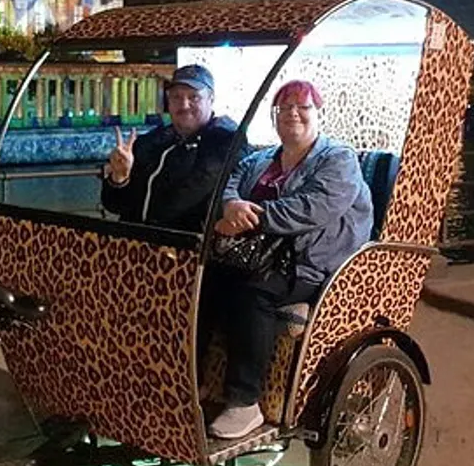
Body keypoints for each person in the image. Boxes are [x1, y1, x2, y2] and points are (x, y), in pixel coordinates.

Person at [203, 80, 373, 439]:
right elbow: (230, 183)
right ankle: (192, 379)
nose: (293, 113)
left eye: (303, 107)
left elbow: (315, 207)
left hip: (311, 264)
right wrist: (231, 205)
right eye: (284, 107)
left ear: (318, 114)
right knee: (201, 282)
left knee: (253, 293)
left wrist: (253, 218)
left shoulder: (338, 159)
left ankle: (244, 402)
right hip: (257, 255)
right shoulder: (262, 159)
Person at [101, 64, 250, 233]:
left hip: (185, 248)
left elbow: (190, 195)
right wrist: (119, 178)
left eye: (194, 97)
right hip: (135, 246)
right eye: (176, 97)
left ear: (211, 98)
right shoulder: (152, 141)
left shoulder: (225, 141)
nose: (184, 105)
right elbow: (114, 205)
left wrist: (146, 228)